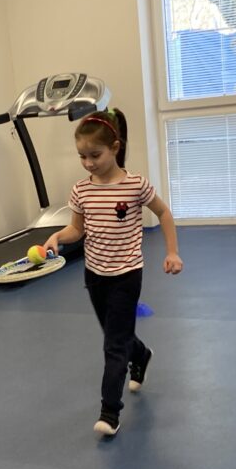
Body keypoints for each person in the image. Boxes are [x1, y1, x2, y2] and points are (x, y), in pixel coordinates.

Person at [42, 108, 183, 438]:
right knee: (116, 334)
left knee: (113, 345)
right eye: (82, 156)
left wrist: (172, 251)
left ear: (115, 148)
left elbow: (163, 213)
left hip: (126, 274)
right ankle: (141, 354)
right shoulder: (81, 190)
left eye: (95, 155)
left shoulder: (135, 185)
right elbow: (77, 230)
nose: (88, 163)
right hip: (94, 275)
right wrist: (57, 236)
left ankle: (110, 412)